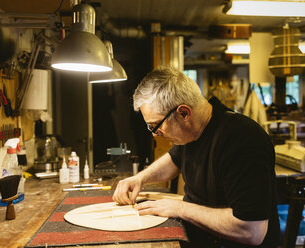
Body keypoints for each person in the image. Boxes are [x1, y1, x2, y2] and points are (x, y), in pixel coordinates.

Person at [113, 67, 281, 248]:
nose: (155, 134)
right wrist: (140, 178)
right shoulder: (193, 132)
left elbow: (252, 231)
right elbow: (173, 160)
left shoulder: (242, 140)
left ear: (183, 113)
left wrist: (180, 208)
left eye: (155, 126)